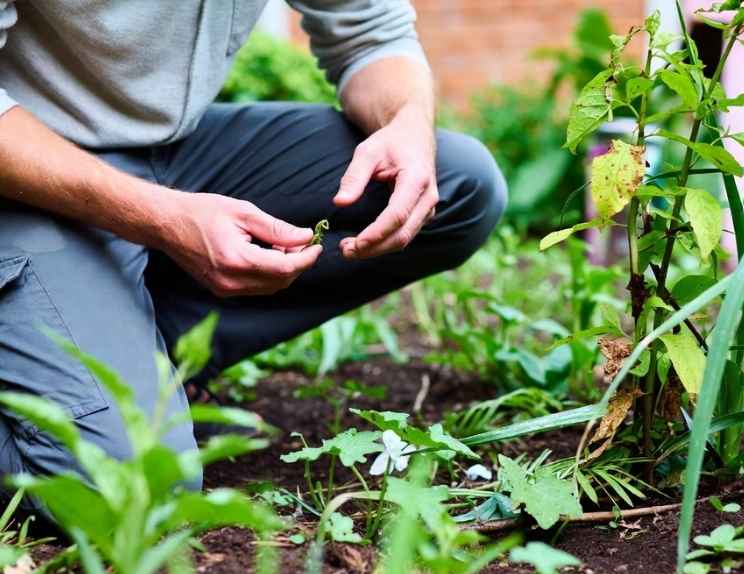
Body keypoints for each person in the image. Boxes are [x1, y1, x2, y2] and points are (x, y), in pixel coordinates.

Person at [0, 1, 507, 497]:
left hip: (175, 151)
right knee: (132, 486)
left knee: (458, 184)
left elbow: (371, 33)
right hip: (27, 174)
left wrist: (407, 123)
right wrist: (162, 216)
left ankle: (132, 342)